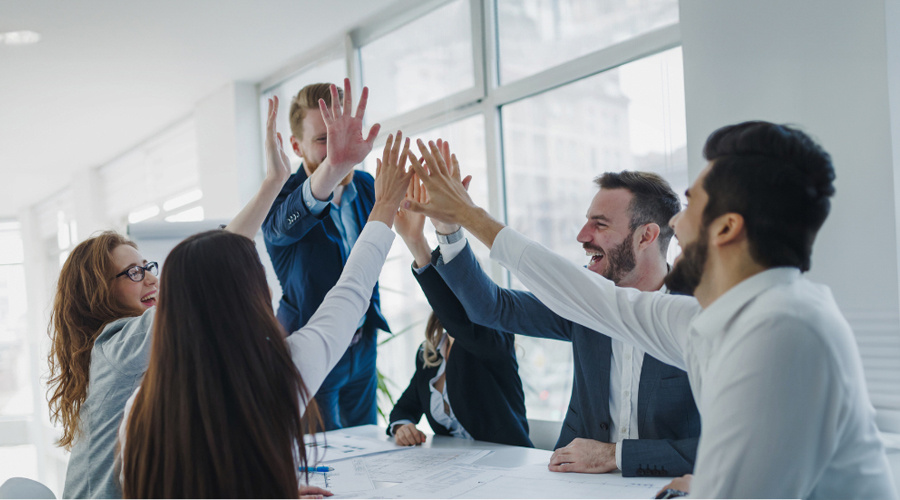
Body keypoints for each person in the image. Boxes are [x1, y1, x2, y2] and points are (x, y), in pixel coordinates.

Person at [400, 124, 898, 499]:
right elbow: (590, 299)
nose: (678, 222)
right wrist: (461, 221)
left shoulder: (782, 331)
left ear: (725, 228)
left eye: (691, 205)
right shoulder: (720, 320)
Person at [119, 95, 412, 498]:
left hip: (361, 354)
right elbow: (351, 290)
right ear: (250, 296)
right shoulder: (280, 374)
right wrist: (383, 205)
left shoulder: (140, 406)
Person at [46, 96, 306, 498]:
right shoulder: (117, 344)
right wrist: (272, 185)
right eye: (134, 272)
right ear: (99, 293)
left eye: (149, 266)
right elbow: (212, 267)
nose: (152, 279)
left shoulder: (154, 353)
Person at [430, 168, 699, 476]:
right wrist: (448, 229)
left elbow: (720, 449)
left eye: (600, 224)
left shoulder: (696, 314)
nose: (582, 236)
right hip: (573, 484)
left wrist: (617, 455)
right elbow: (492, 307)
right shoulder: (582, 304)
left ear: (646, 236)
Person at [263, 79, 386, 431]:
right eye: (323, 139)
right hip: (309, 349)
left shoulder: (366, 186)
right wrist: (331, 172)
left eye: (344, 135)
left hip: (363, 346)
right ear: (295, 145)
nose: (337, 149)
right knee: (325, 466)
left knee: (368, 446)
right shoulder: (278, 196)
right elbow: (280, 229)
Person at [386, 166, 532, 448]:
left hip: (507, 470)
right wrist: (402, 426)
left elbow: (460, 324)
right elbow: (403, 409)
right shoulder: (430, 353)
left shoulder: (496, 337)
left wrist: (418, 243)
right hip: (457, 473)